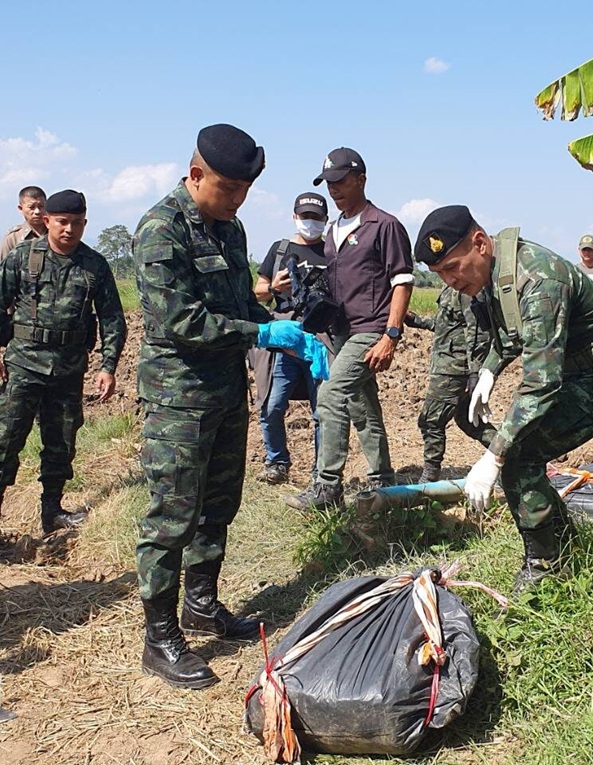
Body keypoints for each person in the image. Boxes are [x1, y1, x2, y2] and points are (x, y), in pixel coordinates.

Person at [133, 124, 326, 690]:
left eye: (245, 189)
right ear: (196, 175)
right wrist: (263, 336)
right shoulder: (160, 230)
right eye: (229, 187)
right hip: (179, 396)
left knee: (219, 502)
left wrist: (280, 326)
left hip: (223, 391)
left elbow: (242, 303)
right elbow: (182, 321)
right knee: (172, 514)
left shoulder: (231, 229)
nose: (238, 199)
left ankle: (201, 604)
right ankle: (161, 636)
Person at [414, 205, 593, 591]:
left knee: (517, 456)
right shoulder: (496, 274)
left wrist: (494, 456)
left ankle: (546, 569)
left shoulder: (538, 278)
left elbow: (542, 383)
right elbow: (510, 336)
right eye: (440, 274)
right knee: (517, 450)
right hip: (576, 371)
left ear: (480, 244)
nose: (450, 281)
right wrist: (491, 369)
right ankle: (561, 542)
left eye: (453, 267)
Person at [286, 147, 413, 512]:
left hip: (370, 329)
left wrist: (391, 335)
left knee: (330, 395)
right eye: (329, 183)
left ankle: (327, 488)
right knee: (363, 406)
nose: (334, 189)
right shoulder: (333, 229)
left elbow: (402, 282)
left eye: (341, 181)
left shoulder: (383, 225)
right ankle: (384, 482)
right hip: (339, 332)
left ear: (361, 179)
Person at [0, 189, 126, 534]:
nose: (69, 229)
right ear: (46, 220)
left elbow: (113, 318)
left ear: (85, 223)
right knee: (5, 440)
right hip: (24, 366)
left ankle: (52, 512)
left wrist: (108, 366)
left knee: (61, 442)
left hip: (68, 371)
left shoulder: (94, 266)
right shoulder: (22, 257)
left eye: (76, 223)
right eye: (62, 222)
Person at [252, 192, 331, 485]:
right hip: (285, 343)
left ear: (326, 220)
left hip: (321, 344)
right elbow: (257, 291)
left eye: (317, 217)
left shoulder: (332, 251)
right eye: (305, 216)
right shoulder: (280, 249)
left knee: (322, 411)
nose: (311, 222)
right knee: (271, 406)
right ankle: (277, 462)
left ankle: (320, 473)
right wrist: (274, 287)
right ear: (295, 216)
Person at [405, 285, 495, 483]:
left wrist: (474, 372)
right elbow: (448, 324)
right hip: (450, 364)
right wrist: (418, 321)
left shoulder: (469, 289)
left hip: (454, 368)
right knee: (468, 420)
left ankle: (429, 476)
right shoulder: (452, 288)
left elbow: (478, 333)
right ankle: (511, 451)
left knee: (431, 421)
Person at [1, 186, 47, 260]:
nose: (37, 211)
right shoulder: (13, 238)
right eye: (31, 207)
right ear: (21, 209)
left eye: (41, 206)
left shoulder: (56, 232)